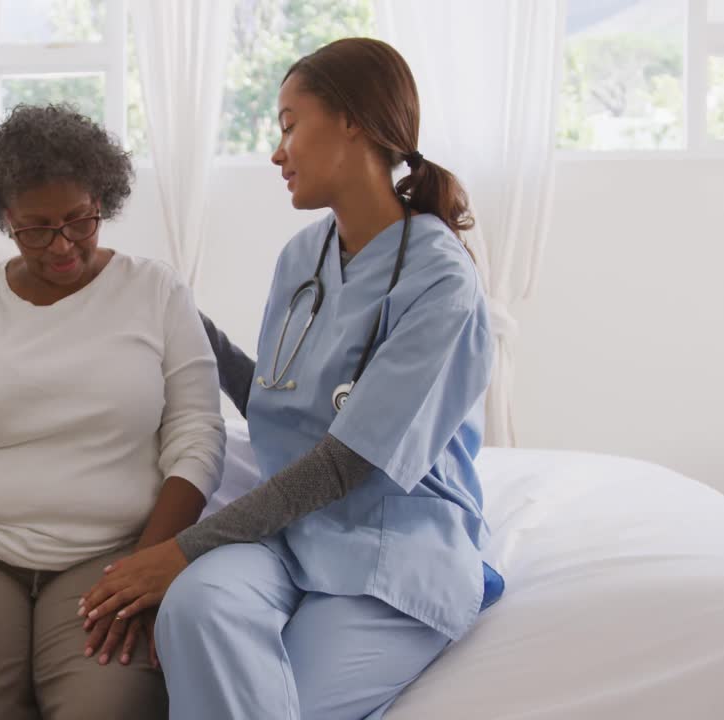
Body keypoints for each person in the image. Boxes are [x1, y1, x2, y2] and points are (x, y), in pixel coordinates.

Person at [79, 37, 504, 720]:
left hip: (390, 547)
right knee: (195, 605)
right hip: (291, 533)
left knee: (281, 704)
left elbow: (345, 462)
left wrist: (181, 549)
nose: (278, 153)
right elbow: (279, 402)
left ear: (352, 121)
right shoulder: (303, 255)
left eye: (288, 125)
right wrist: (177, 312)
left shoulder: (440, 279)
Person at [0, 103, 225, 720]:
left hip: (113, 554)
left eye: (80, 220)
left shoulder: (157, 291)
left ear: (103, 200)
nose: (63, 245)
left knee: (109, 707)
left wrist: (148, 564)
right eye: (36, 229)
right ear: (4, 219)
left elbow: (197, 437)